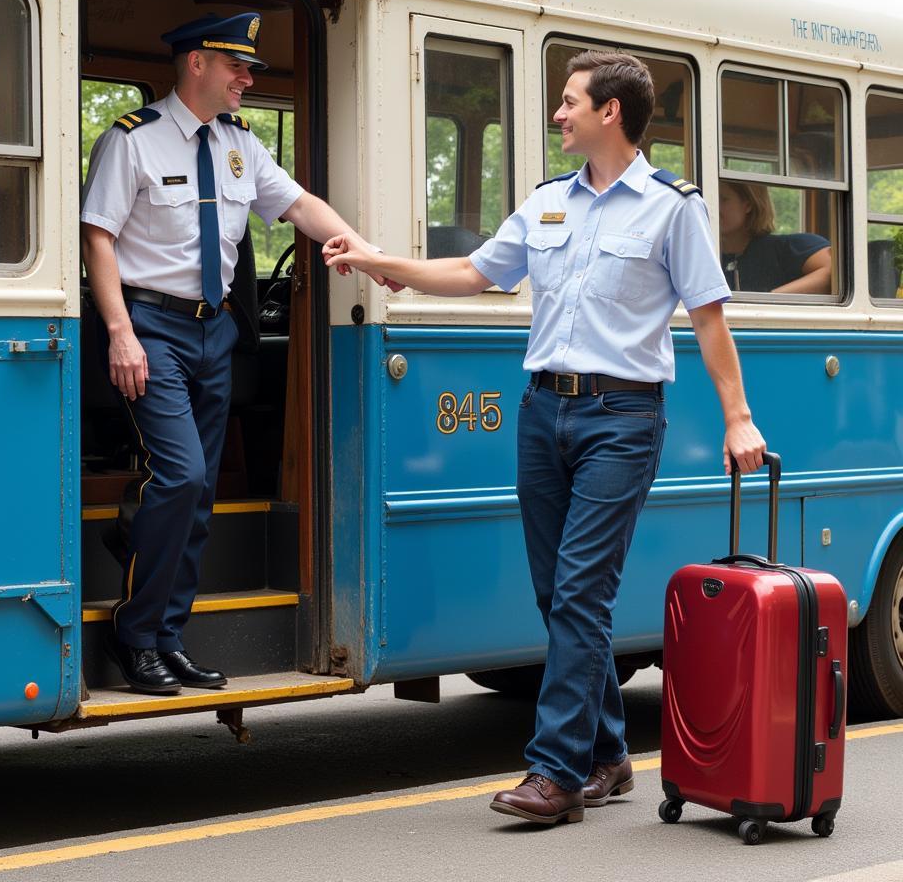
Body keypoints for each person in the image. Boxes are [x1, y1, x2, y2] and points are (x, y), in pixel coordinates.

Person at [323, 51, 766, 825]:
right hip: (543, 413)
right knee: (554, 593)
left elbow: (708, 315)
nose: (558, 115)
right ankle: (607, 755)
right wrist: (380, 263)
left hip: (622, 419)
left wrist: (737, 416)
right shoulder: (547, 202)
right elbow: (476, 271)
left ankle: (555, 773)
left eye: (569, 102)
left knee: (582, 591)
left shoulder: (671, 207)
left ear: (611, 114)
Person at [81, 12, 389, 696]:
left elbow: (301, 206)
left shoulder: (239, 144)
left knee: (198, 496)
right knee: (183, 475)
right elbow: (97, 238)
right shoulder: (133, 141)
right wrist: (120, 331)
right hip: (151, 327)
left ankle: (168, 636)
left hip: (212, 331)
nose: (249, 78)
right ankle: (136, 637)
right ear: (197, 64)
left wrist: (365, 253)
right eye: (237, 67)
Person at [718, 180, 832, 294]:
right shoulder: (706, 257)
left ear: (748, 205)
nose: (712, 205)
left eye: (722, 199)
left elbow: (833, 270)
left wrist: (768, 301)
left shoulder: (787, 248)